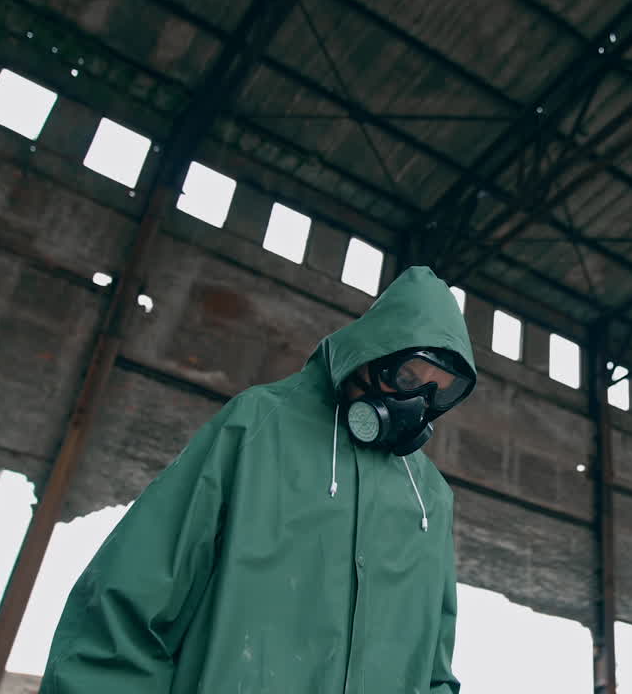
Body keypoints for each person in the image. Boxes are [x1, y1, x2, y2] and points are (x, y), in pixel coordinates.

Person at [40, 266, 474, 693]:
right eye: (407, 377)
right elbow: (125, 608)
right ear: (369, 356)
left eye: (439, 391)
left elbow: (435, 672)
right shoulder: (256, 427)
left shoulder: (431, 497)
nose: (418, 403)